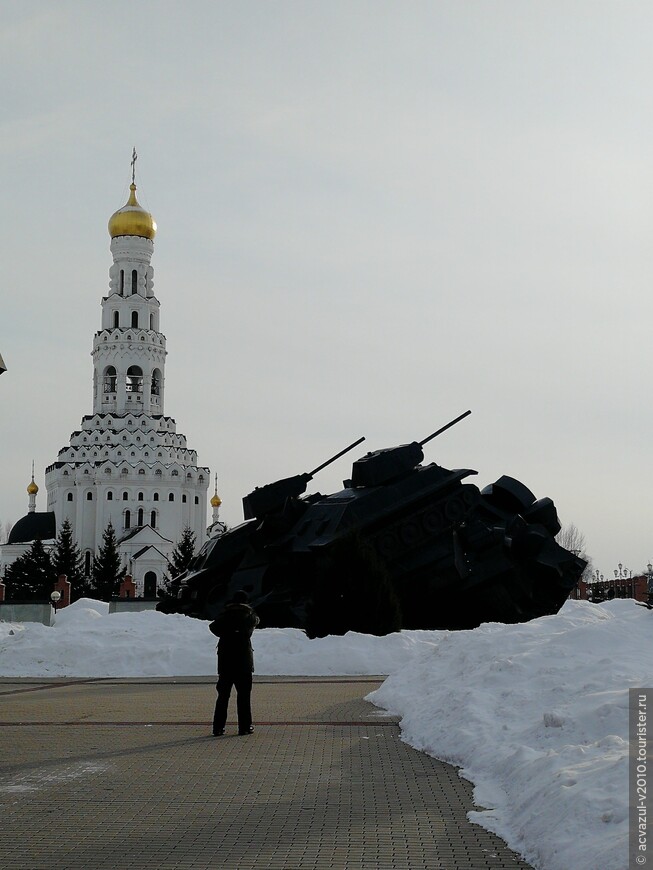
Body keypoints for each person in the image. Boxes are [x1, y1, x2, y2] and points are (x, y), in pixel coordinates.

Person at [209, 590, 260, 736]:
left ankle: (218, 727)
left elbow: (213, 627)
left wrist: (227, 632)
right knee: (244, 696)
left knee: (223, 696)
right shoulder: (249, 615)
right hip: (243, 661)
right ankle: (245, 726)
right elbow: (256, 621)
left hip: (225, 661)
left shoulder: (226, 614)